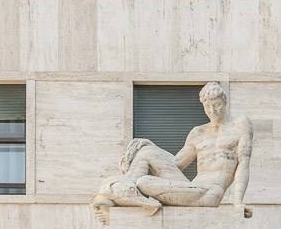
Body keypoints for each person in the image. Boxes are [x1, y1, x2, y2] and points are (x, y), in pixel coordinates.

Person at [90, 81, 252, 221]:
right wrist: (152, 147)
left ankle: (116, 194)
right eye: (208, 107)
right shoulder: (198, 132)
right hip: (192, 188)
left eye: (217, 105)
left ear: (225, 102)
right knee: (146, 151)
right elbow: (176, 164)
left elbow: (243, 164)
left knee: (144, 182)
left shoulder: (240, 125)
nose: (213, 111)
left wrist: (238, 202)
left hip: (211, 192)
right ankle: (120, 192)